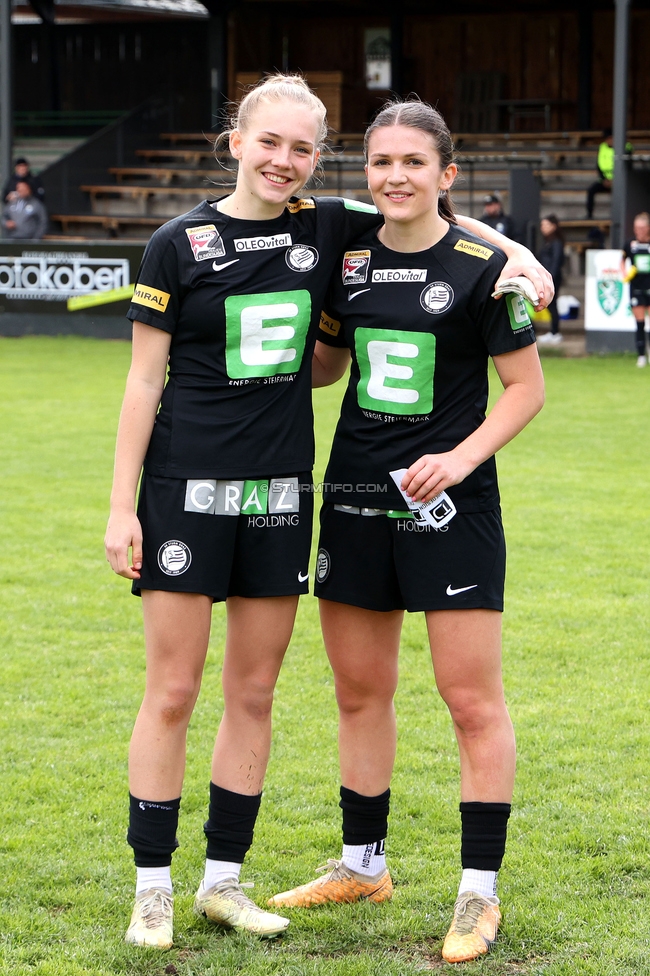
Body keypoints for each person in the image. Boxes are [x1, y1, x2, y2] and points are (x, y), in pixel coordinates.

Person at [104, 74, 552, 951]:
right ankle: (201, 881)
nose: (283, 160)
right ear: (234, 140)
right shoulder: (227, 243)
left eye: (302, 148)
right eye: (268, 142)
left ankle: (444, 890)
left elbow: (437, 230)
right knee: (227, 691)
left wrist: (516, 253)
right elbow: (163, 377)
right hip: (259, 496)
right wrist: (121, 505)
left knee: (307, 692)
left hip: (345, 501)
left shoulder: (359, 238)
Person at [267, 99, 545, 966]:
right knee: (359, 694)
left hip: (450, 508)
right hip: (351, 494)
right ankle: (363, 864)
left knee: (470, 702)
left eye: (413, 163)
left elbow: (527, 390)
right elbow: (328, 364)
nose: (394, 176)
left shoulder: (482, 266)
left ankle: (479, 894)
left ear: (446, 176)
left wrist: (460, 459)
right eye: (381, 161)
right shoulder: (344, 260)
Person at [622, 212, 650, 367]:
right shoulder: (629, 244)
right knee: (640, 322)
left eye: (642, 227)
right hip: (636, 287)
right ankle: (641, 355)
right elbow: (622, 260)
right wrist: (624, 273)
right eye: (636, 227)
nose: (638, 231)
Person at [536, 214, 564, 344]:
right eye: (542, 225)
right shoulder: (548, 242)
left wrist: (549, 277)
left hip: (551, 278)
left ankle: (555, 332)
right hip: (546, 277)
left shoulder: (556, 243)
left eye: (546, 225)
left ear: (553, 226)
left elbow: (556, 261)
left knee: (552, 304)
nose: (543, 228)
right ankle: (553, 331)